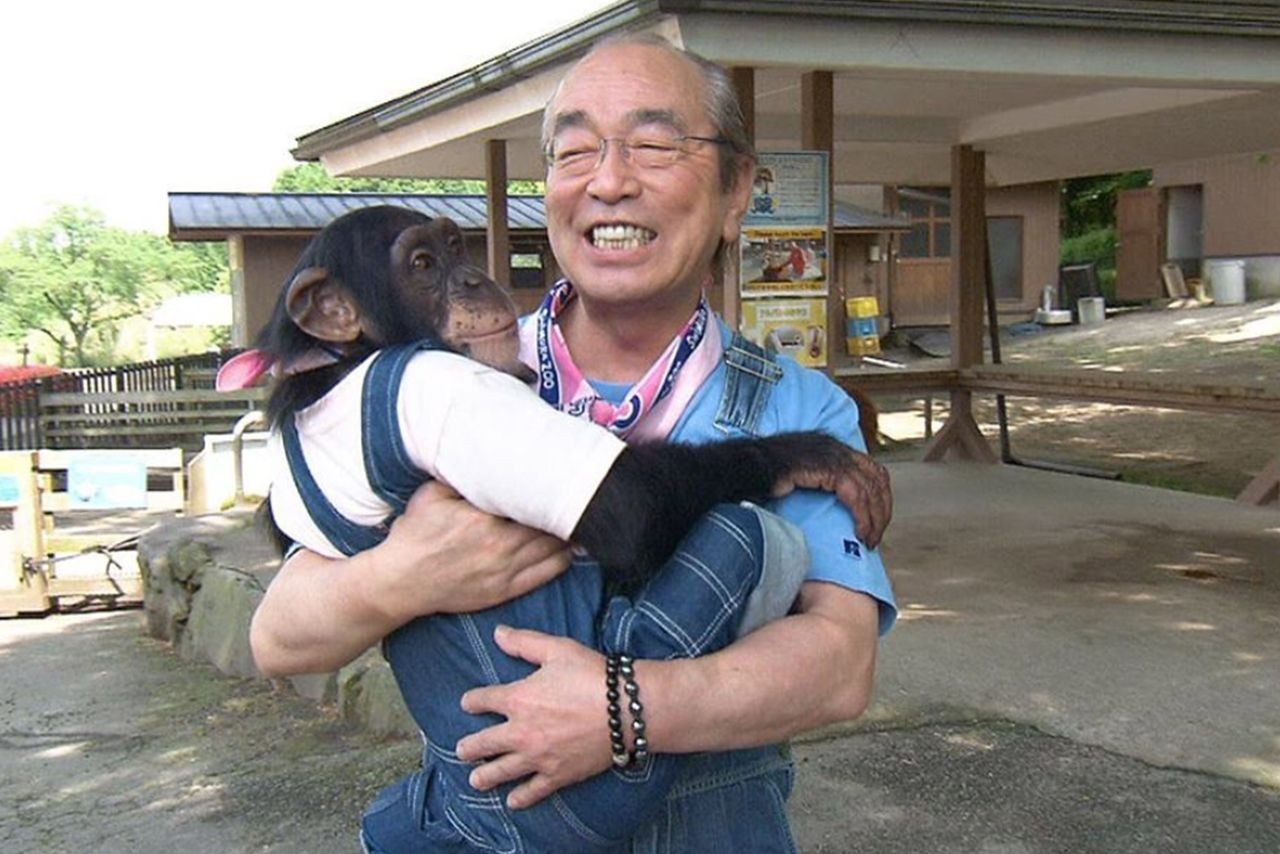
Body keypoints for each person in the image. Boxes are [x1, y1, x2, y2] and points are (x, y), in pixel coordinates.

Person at [250, 33, 897, 852]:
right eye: (575, 150)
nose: (610, 181)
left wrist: (625, 710)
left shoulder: (802, 409)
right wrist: (404, 574)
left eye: (656, 145)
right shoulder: (442, 383)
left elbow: (840, 668)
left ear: (737, 191)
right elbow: (281, 637)